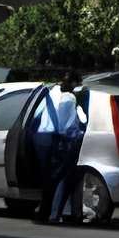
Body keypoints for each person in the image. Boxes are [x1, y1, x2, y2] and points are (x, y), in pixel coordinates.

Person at [25, 78, 89, 223]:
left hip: (41, 138)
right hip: (58, 139)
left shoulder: (50, 94)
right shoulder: (69, 98)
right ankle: (50, 214)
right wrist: (77, 134)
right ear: (74, 85)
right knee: (58, 178)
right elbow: (67, 124)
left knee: (48, 177)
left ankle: (45, 213)